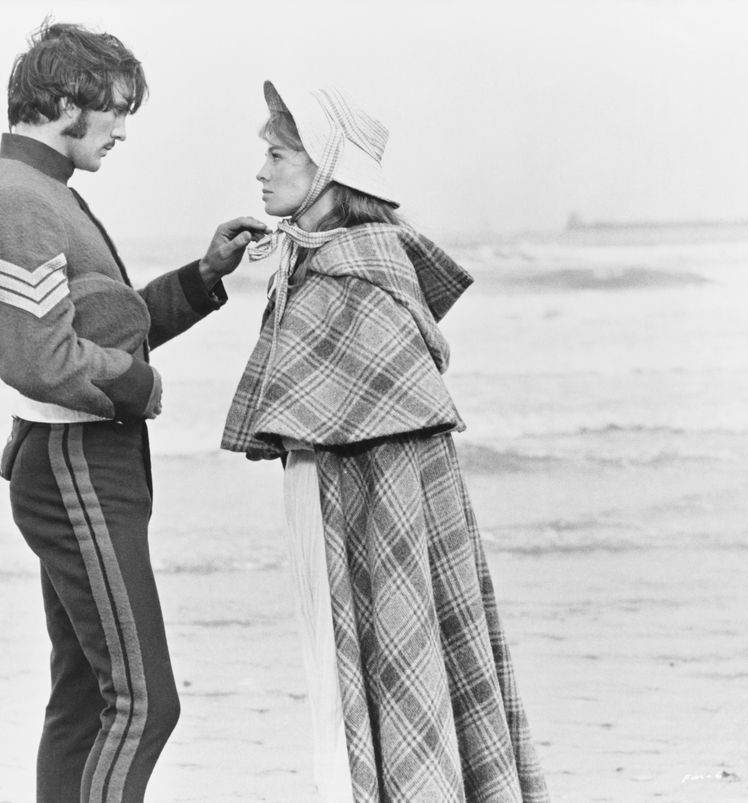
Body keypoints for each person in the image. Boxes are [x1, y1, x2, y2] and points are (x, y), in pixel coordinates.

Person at [0, 21, 266, 803]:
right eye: (117, 110)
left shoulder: (42, 191)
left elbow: (102, 327)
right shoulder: (18, 202)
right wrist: (141, 386)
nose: (124, 130)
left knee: (84, 701)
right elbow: (39, 358)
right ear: (67, 101)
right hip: (75, 466)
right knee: (141, 702)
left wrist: (204, 275)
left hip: (82, 464)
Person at [222, 82, 550, 802]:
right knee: (384, 652)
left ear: (327, 173)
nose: (261, 172)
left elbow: (389, 431)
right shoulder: (324, 257)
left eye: (278, 156)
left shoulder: (356, 265)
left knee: (402, 643)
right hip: (340, 491)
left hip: (380, 498)